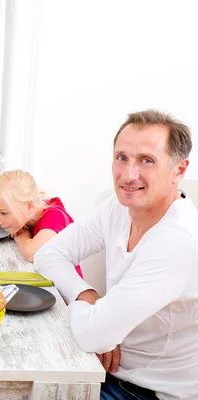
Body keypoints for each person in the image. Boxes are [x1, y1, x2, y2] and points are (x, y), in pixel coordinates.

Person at [35, 110, 198, 400]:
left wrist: (101, 326)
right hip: (102, 370)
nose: (128, 174)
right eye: (122, 157)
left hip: (150, 392)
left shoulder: (177, 240)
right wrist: (85, 295)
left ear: (179, 170)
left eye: (146, 160)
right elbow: (49, 254)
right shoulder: (119, 206)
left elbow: (92, 335)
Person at [0, 170, 83, 277]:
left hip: (66, 289)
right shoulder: (32, 212)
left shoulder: (56, 217)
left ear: (29, 206)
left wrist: (22, 235)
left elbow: (31, 254)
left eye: (4, 213)